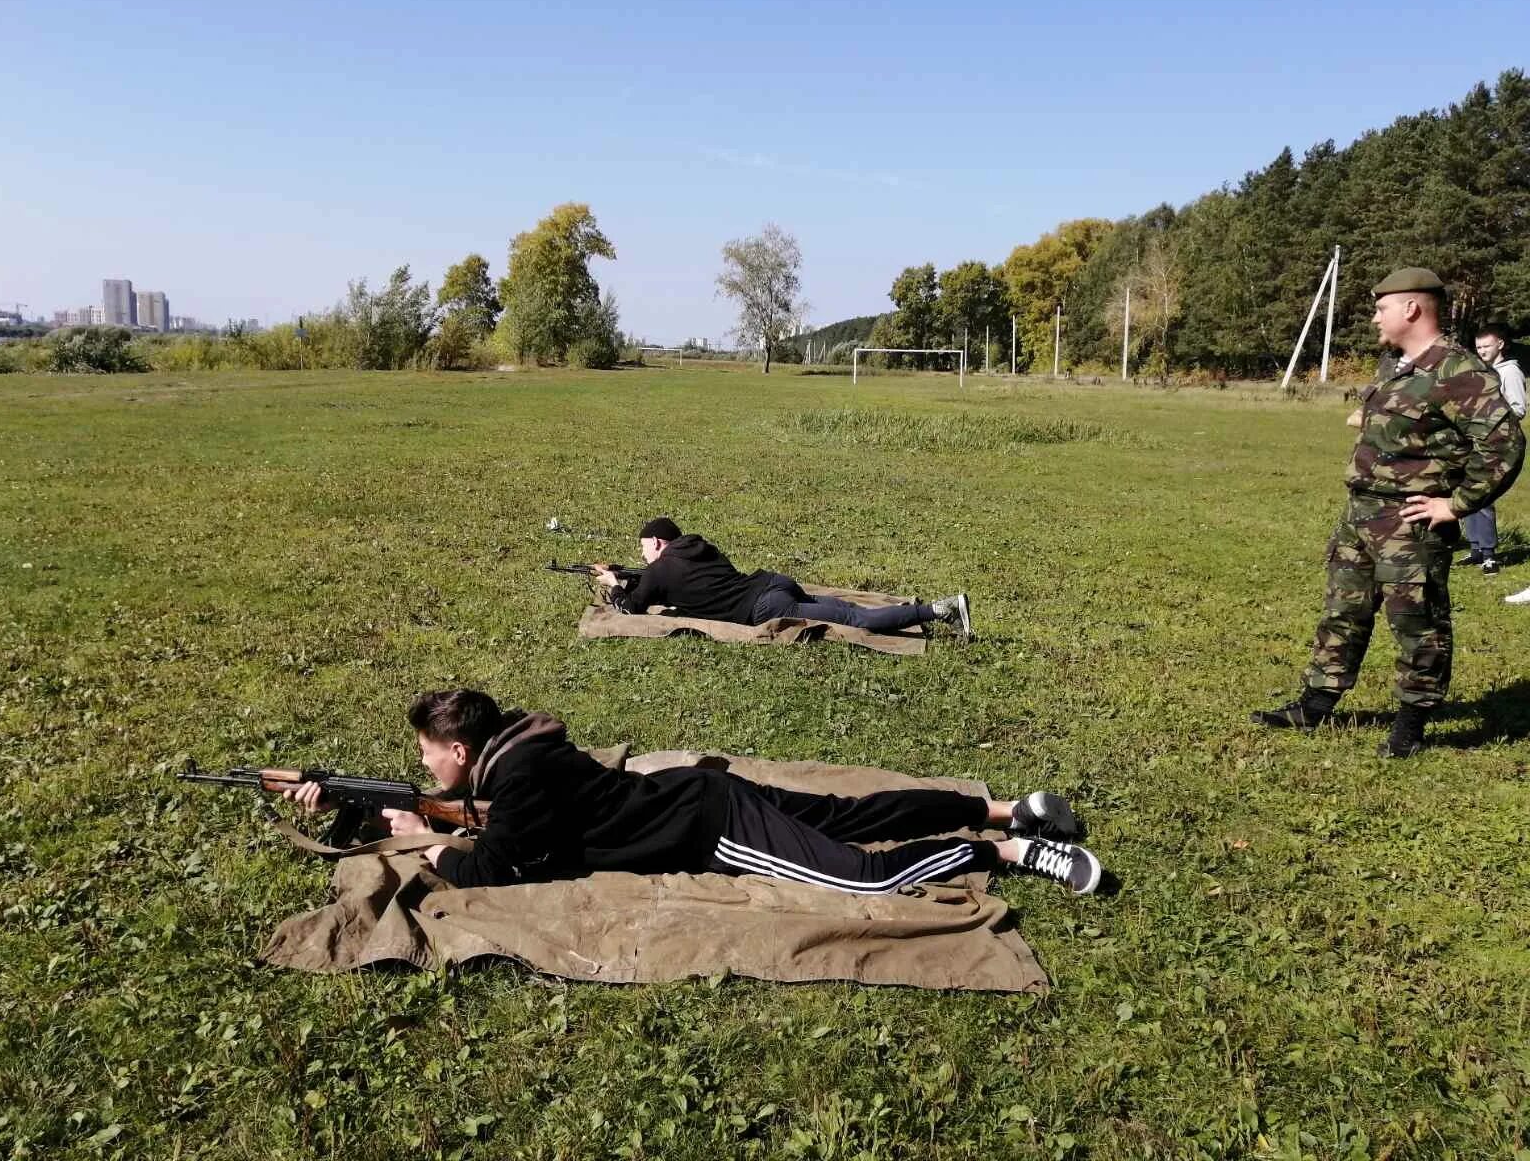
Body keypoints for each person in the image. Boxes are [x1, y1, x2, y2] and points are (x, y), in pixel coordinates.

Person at [286, 688, 1105, 896]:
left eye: (429, 755)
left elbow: (497, 867)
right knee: (847, 811)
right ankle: (1003, 804)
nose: (426, 766)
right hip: (692, 790)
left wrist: (425, 845)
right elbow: (445, 805)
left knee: (862, 874)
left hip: (709, 826)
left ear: (460, 749)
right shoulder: (519, 747)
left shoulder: (519, 781)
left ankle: (1004, 848)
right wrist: (355, 804)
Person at [1252, 268, 1524, 757]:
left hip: (1409, 523)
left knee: (1417, 622)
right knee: (1344, 611)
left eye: (1381, 307)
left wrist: (1456, 504)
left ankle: (1410, 727)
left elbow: (1503, 446)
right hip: (1361, 513)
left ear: (1412, 309)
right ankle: (1315, 704)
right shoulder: (1394, 364)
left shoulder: (1459, 371)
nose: (1375, 315)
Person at [592, 517, 973, 638]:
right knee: (847, 609)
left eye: (644, 547)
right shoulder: (694, 545)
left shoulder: (659, 570)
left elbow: (633, 610)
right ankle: (926, 611)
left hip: (765, 606)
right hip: (774, 581)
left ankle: (937, 611)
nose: (642, 555)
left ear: (658, 542)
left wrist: (614, 586)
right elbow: (675, 579)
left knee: (858, 621)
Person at [1456, 323, 1525, 576]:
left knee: (1484, 496)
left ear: (1500, 345)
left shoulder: (1510, 372)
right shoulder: (1484, 371)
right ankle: (1475, 549)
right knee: (1469, 490)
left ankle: (1489, 555)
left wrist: (1490, 420)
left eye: (1486, 346)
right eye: (1478, 347)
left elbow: (1518, 409)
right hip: (1477, 440)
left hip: (1499, 444)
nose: (1482, 351)